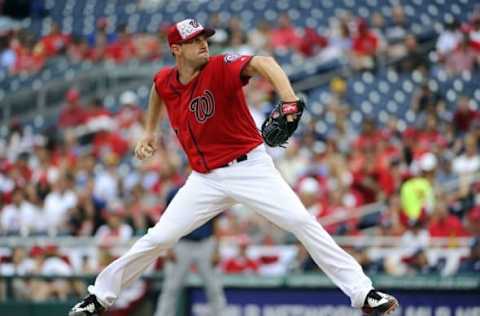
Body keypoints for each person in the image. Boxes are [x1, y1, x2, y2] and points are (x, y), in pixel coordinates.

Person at [69, 18, 399, 316]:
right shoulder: (167, 80)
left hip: (249, 168)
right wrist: (149, 131)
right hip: (204, 179)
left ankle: (364, 294)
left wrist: (289, 99)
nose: (203, 44)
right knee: (159, 238)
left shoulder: (220, 67)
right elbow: (157, 89)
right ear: (176, 49)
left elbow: (265, 62)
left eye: (205, 38)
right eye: (194, 40)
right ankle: (99, 297)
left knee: (301, 221)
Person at [153, 188, 226, 316]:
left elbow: (216, 221)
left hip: (205, 243)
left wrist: (216, 249)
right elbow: (167, 219)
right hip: (181, 243)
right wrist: (168, 247)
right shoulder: (175, 191)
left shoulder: (212, 189)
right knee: (171, 288)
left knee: (214, 288)